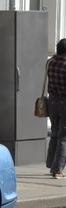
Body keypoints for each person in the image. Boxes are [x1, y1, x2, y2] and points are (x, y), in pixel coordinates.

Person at [46, 38, 66, 179]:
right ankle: (57, 169)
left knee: (54, 133)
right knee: (63, 137)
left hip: (52, 101)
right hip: (64, 102)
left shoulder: (50, 62)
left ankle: (50, 163)